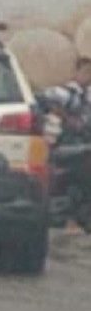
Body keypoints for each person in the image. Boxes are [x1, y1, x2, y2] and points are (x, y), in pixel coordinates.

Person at [40, 57, 91, 234]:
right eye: (86, 71)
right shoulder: (63, 92)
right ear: (76, 71)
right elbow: (42, 101)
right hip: (63, 147)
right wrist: (65, 117)